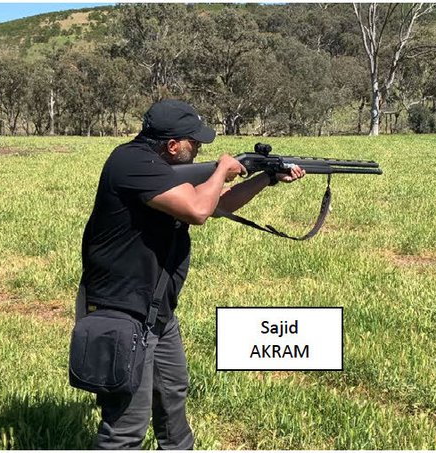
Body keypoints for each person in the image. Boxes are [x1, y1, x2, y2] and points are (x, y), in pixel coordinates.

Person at [78, 99, 305, 449]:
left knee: (173, 399)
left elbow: (220, 204)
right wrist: (220, 170)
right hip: (122, 313)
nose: (199, 148)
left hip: (157, 311)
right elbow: (199, 210)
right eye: (194, 142)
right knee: (125, 430)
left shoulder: (160, 169)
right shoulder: (131, 162)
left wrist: (265, 178)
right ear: (172, 145)